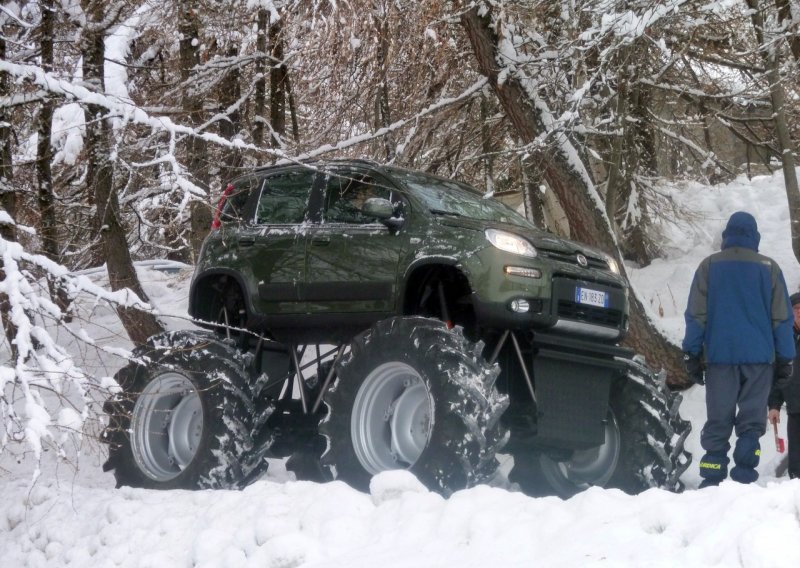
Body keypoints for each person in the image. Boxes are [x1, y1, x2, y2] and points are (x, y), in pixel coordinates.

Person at [682, 211, 795, 487]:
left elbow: (696, 315)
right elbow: (782, 319)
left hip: (719, 358)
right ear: (755, 236)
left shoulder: (708, 266)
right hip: (759, 361)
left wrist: (691, 353)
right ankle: (744, 478)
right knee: (751, 424)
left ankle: (711, 479)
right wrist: (786, 358)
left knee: (718, 419)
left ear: (727, 235)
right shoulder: (769, 268)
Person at [768, 292, 800, 480]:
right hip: (796, 408)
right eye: (797, 310)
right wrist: (774, 405)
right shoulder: (783, 341)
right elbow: (777, 376)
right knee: (796, 463)